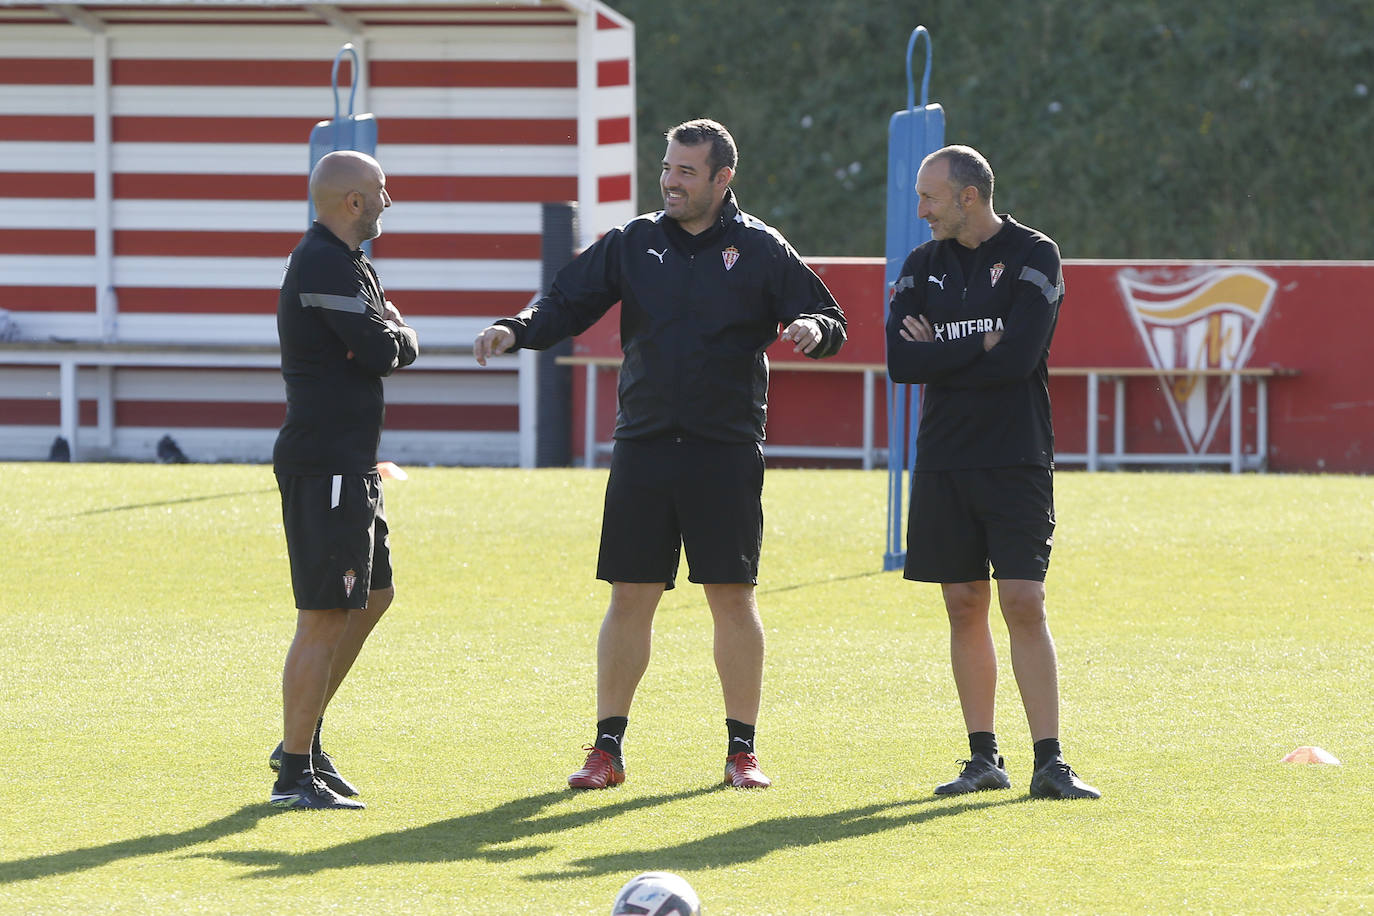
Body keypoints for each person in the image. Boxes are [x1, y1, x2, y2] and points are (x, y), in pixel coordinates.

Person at [474, 118, 847, 790]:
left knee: (732, 597)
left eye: (685, 172)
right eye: (667, 169)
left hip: (725, 449)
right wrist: (515, 329)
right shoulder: (634, 241)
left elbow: (829, 318)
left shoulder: (762, 248)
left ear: (722, 179)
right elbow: (567, 301)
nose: (670, 182)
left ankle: (742, 753)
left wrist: (813, 329)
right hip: (644, 446)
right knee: (630, 595)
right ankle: (605, 751)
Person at [885, 145, 1100, 800]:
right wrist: (979, 341)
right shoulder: (921, 266)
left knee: (1022, 602)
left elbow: (1019, 359)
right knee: (963, 603)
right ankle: (984, 759)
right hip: (946, 457)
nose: (919, 210)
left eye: (929, 197)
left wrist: (944, 348)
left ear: (967, 197)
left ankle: (1051, 762)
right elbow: (900, 361)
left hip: (1016, 456)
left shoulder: (1036, 255)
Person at [268, 150, 419, 809]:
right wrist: (397, 333)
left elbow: (384, 340)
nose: (389, 201)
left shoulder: (351, 263)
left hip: (350, 462)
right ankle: (293, 774)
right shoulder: (323, 261)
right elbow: (387, 349)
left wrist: (391, 331)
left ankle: (301, 737)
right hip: (324, 461)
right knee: (324, 615)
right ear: (353, 202)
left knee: (375, 594)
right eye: (381, 191)